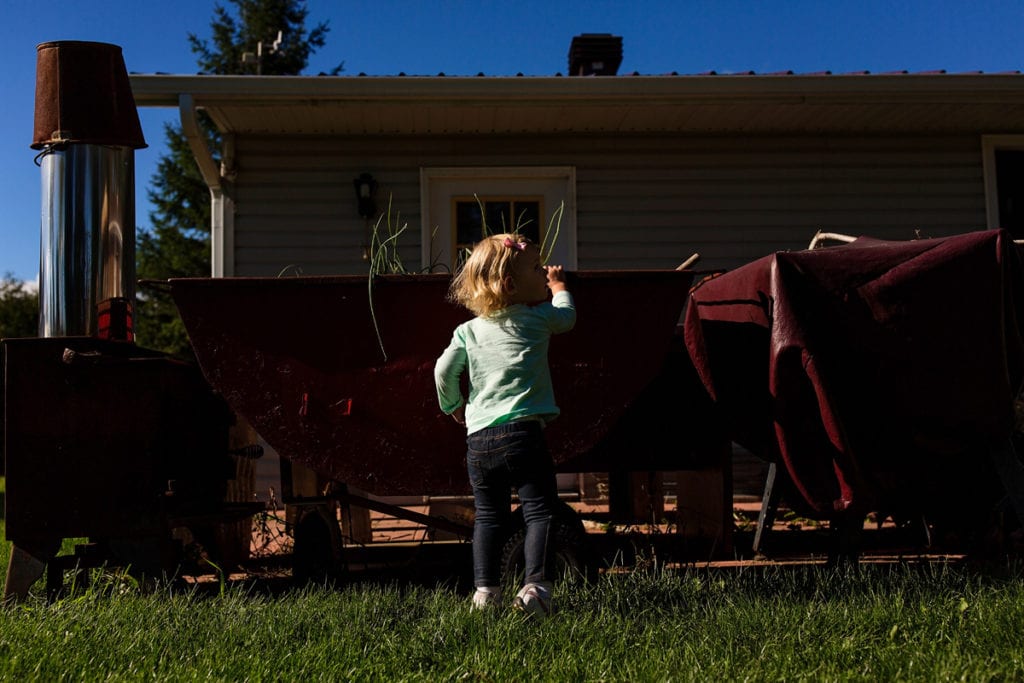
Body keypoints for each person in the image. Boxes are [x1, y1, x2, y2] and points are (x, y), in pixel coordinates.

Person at [434, 233, 576, 617]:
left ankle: (485, 593)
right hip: (523, 435)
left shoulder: (469, 330)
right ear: (512, 285)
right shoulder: (538, 316)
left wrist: (453, 404)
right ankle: (536, 590)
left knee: (490, 516)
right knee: (540, 511)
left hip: (479, 440)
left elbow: (443, 369)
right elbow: (568, 318)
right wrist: (560, 287)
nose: (543, 272)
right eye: (536, 268)